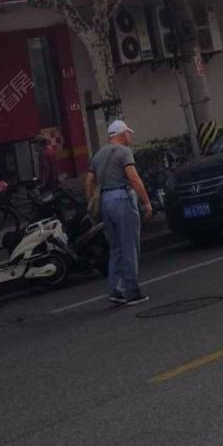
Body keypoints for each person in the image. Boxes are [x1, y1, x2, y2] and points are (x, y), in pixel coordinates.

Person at [86, 119, 152, 307]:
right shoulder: (124, 152)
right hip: (123, 198)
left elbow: (88, 182)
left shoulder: (98, 155)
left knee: (115, 249)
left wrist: (91, 202)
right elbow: (134, 178)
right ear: (122, 134)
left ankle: (116, 290)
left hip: (105, 201)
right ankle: (132, 292)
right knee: (129, 246)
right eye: (128, 132)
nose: (130, 136)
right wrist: (147, 202)